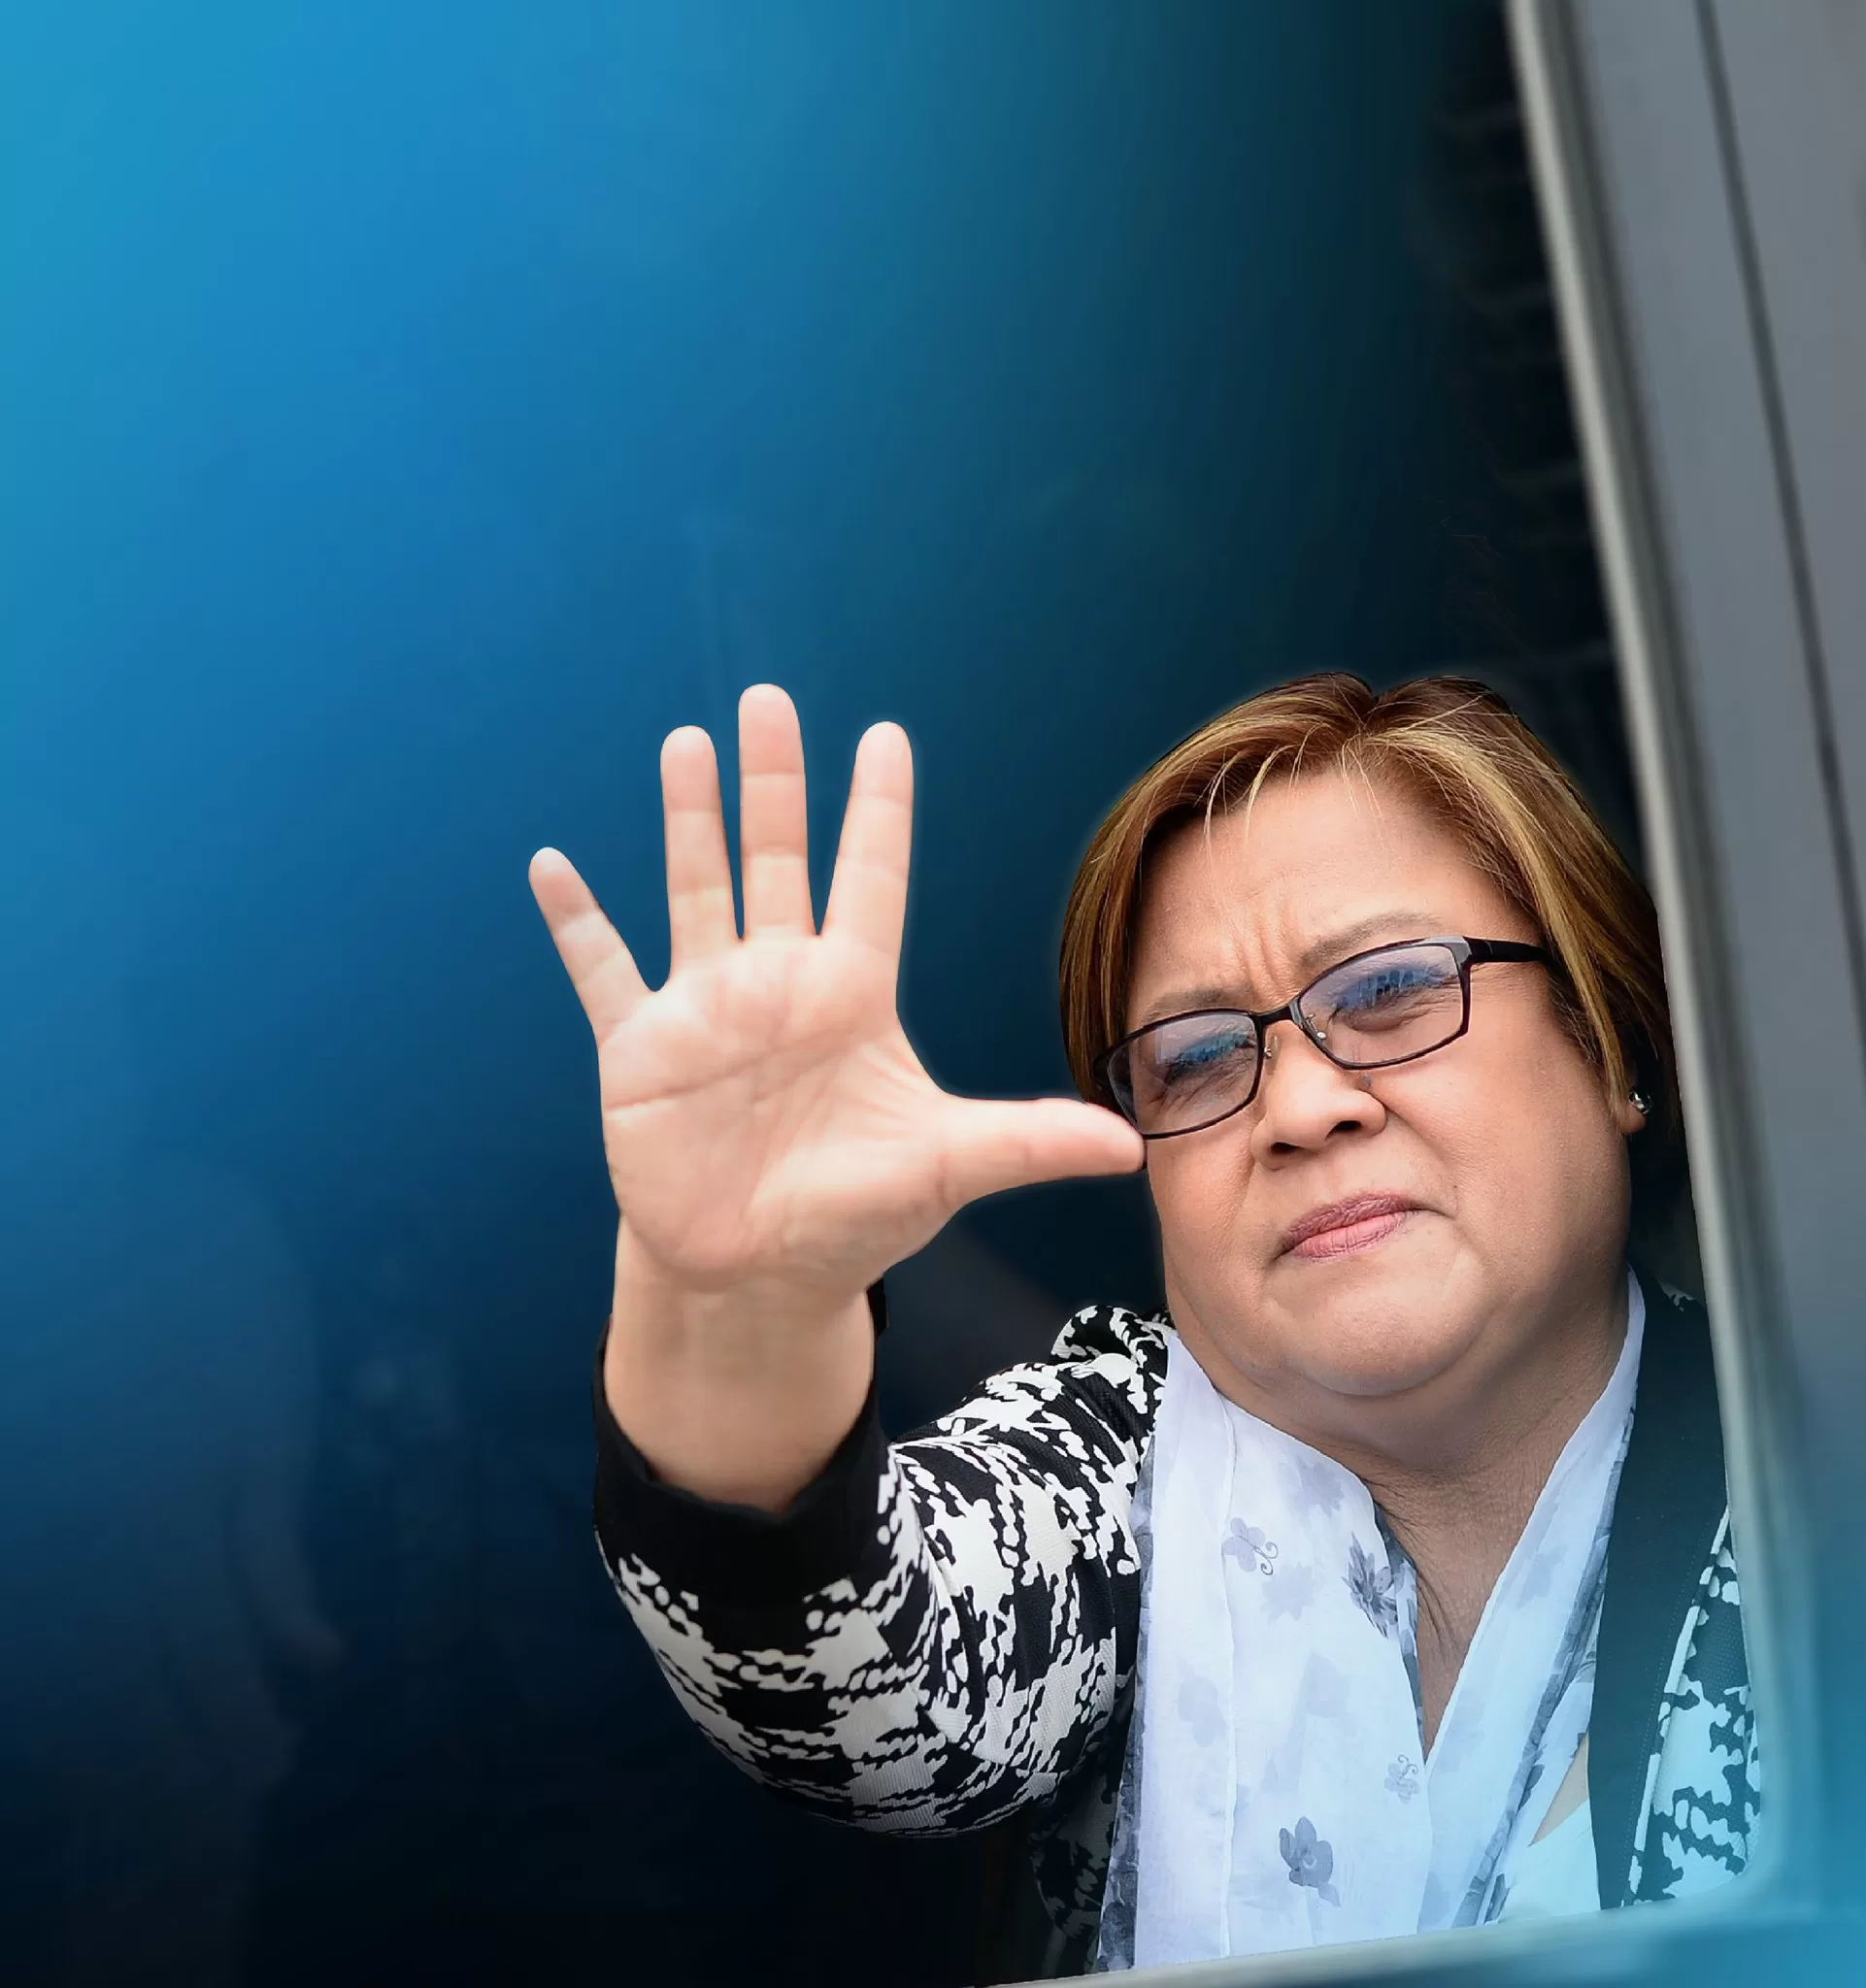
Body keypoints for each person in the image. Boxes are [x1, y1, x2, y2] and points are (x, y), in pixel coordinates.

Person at [527, 674, 1757, 1971]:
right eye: (1199, 1058)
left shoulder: (1834, 1452)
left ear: (1613, 1043)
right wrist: (738, 1305)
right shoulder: (1120, 1456)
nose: (1300, 1108)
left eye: (1390, 989)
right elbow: (844, 1683)